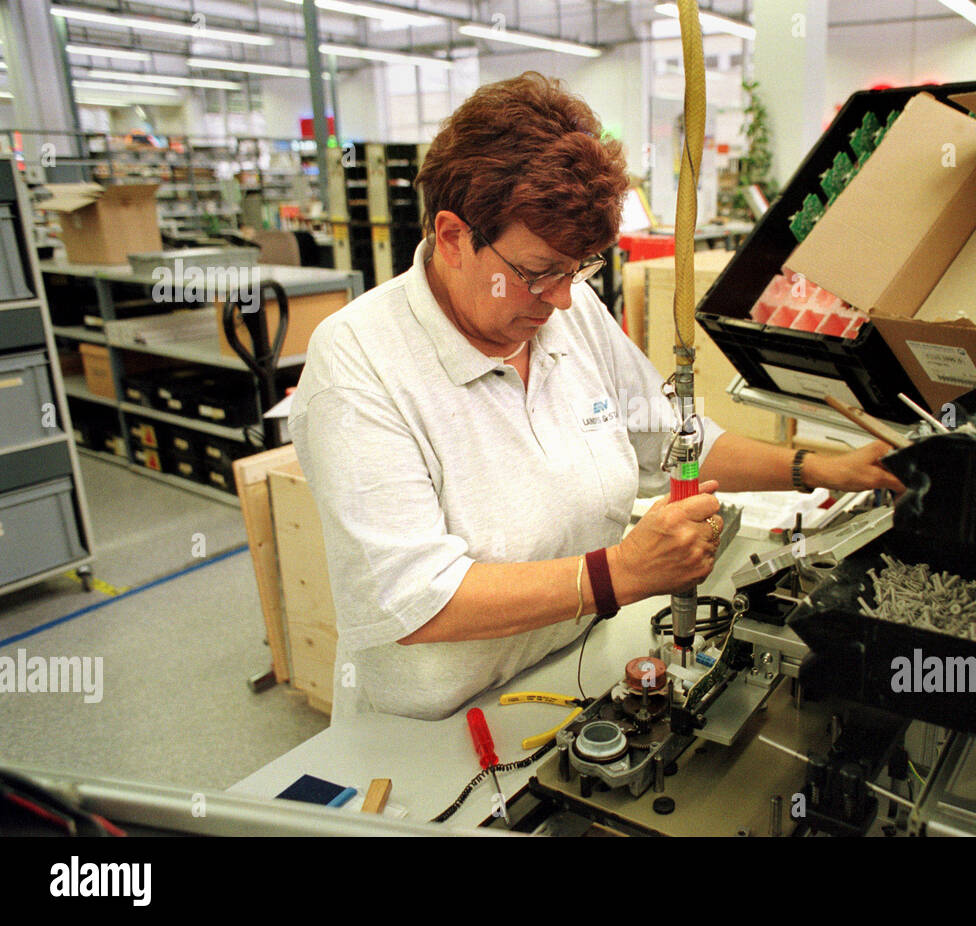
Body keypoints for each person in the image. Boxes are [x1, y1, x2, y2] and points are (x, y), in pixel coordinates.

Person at [288, 72, 904, 722]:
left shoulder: (569, 309)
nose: (559, 298)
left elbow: (674, 442)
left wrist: (816, 469)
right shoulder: (358, 362)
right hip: (436, 723)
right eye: (535, 273)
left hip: (578, 668)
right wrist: (622, 573)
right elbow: (410, 598)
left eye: (577, 269)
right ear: (452, 237)